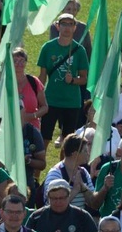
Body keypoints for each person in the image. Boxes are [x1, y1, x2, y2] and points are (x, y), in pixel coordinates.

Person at [37, 13, 89, 151]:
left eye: (70, 24)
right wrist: (38, 97)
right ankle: (36, 171)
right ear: (57, 26)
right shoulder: (47, 48)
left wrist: (72, 80)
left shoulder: (79, 50)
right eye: (64, 24)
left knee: (68, 141)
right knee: (45, 137)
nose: (67, 27)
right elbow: (41, 76)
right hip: (51, 100)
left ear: (75, 28)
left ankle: (64, 169)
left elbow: (84, 78)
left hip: (71, 102)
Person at [42, 134, 95, 211]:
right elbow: (53, 205)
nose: (88, 154)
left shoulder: (83, 172)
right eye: (85, 151)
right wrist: (75, 190)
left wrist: (83, 187)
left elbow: (92, 201)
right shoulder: (55, 174)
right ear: (75, 154)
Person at [12, 47, 48, 129]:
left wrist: (33, 116)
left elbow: (45, 106)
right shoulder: (6, 82)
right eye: (15, 61)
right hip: (11, 128)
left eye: (22, 60)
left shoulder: (34, 81)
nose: (19, 63)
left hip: (32, 128)